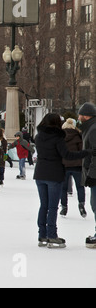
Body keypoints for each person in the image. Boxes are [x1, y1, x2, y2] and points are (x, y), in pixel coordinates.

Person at [33, 113, 93, 249]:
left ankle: (42, 235)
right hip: (54, 174)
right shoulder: (58, 137)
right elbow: (67, 155)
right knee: (53, 207)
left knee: (44, 205)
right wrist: (86, 152)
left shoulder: (38, 136)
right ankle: (52, 236)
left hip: (40, 173)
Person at [77, 103, 96, 248]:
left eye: (80, 115)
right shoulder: (89, 128)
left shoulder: (93, 129)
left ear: (86, 115)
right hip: (92, 173)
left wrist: (92, 174)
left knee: (95, 204)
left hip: (94, 175)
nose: (78, 117)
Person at [59, 118, 86, 217]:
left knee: (63, 188)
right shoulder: (78, 136)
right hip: (77, 165)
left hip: (64, 165)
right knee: (80, 186)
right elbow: (82, 150)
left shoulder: (60, 137)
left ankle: (64, 207)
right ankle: (81, 204)